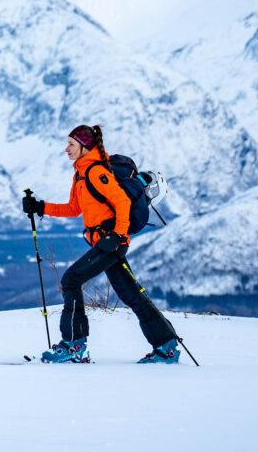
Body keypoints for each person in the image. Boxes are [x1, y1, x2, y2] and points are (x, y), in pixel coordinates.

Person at [22, 124, 181, 364]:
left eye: (71, 145)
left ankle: (74, 345)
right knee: (131, 294)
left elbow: (121, 202)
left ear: (85, 147)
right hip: (105, 242)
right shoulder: (81, 174)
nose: (66, 149)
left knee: (71, 280)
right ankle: (166, 347)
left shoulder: (97, 172)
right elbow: (74, 209)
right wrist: (41, 207)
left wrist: (116, 235)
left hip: (111, 242)